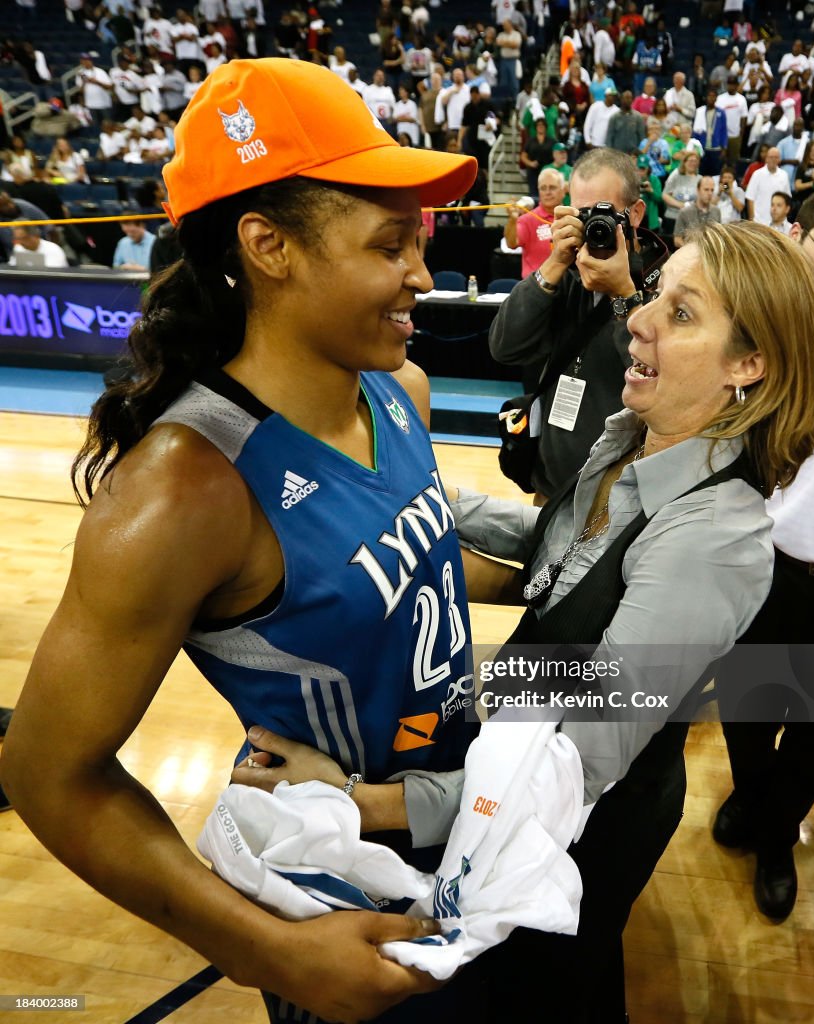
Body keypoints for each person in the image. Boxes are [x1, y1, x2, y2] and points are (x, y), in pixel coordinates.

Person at [1, 58, 480, 1024]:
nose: (421, 276)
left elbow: (395, 567)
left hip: (463, 812)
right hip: (343, 884)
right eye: (391, 243)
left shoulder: (399, 389)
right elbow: (46, 775)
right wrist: (270, 952)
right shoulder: (181, 493)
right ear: (268, 246)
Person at [448, 220, 814, 1019]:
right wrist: (434, 506)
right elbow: (561, 551)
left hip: (579, 812)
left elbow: (586, 737)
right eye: (656, 295)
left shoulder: (715, 538)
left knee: (550, 987)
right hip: (521, 753)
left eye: (682, 313)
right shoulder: (633, 441)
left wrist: (394, 763)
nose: (638, 317)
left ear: (748, 365)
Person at [713, 180, 814, 921]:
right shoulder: (810, 315)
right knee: (747, 708)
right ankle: (754, 801)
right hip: (771, 561)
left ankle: (775, 835)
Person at [489, 148, 669, 501]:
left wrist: (623, 294)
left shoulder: (665, 286)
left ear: (634, 214)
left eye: (604, 213)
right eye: (583, 214)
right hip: (549, 488)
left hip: (613, 501)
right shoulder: (566, 278)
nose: (593, 227)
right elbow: (503, 347)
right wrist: (555, 262)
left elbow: (665, 382)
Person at [504, 168, 566, 279]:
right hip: (535, 286)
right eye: (543, 188)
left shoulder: (571, 217)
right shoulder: (527, 219)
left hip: (567, 286)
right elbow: (511, 243)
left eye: (552, 187)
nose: (547, 192)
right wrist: (512, 220)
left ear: (563, 191)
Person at [745, 147, 791, 224]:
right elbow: (750, 198)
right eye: (771, 157)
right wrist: (751, 221)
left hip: (778, 223)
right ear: (766, 159)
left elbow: (787, 198)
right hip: (759, 222)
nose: (773, 159)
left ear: (779, 160)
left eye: (776, 157)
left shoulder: (784, 175)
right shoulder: (757, 174)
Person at [673, 173, 720, 247]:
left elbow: (719, 236)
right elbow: (677, 240)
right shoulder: (685, 212)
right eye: (706, 189)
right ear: (698, 190)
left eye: (712, 190)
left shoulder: (716, 211)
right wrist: (693, 251)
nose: (710, 193)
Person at [662, 149, 702, 234]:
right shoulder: (675, 176)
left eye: (695, 161)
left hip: (691, 219)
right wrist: (682, 205)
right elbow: (665, 195)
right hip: (672, 217)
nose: (693, 163)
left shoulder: (700, 179)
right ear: (684, 162)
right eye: (690, 160)